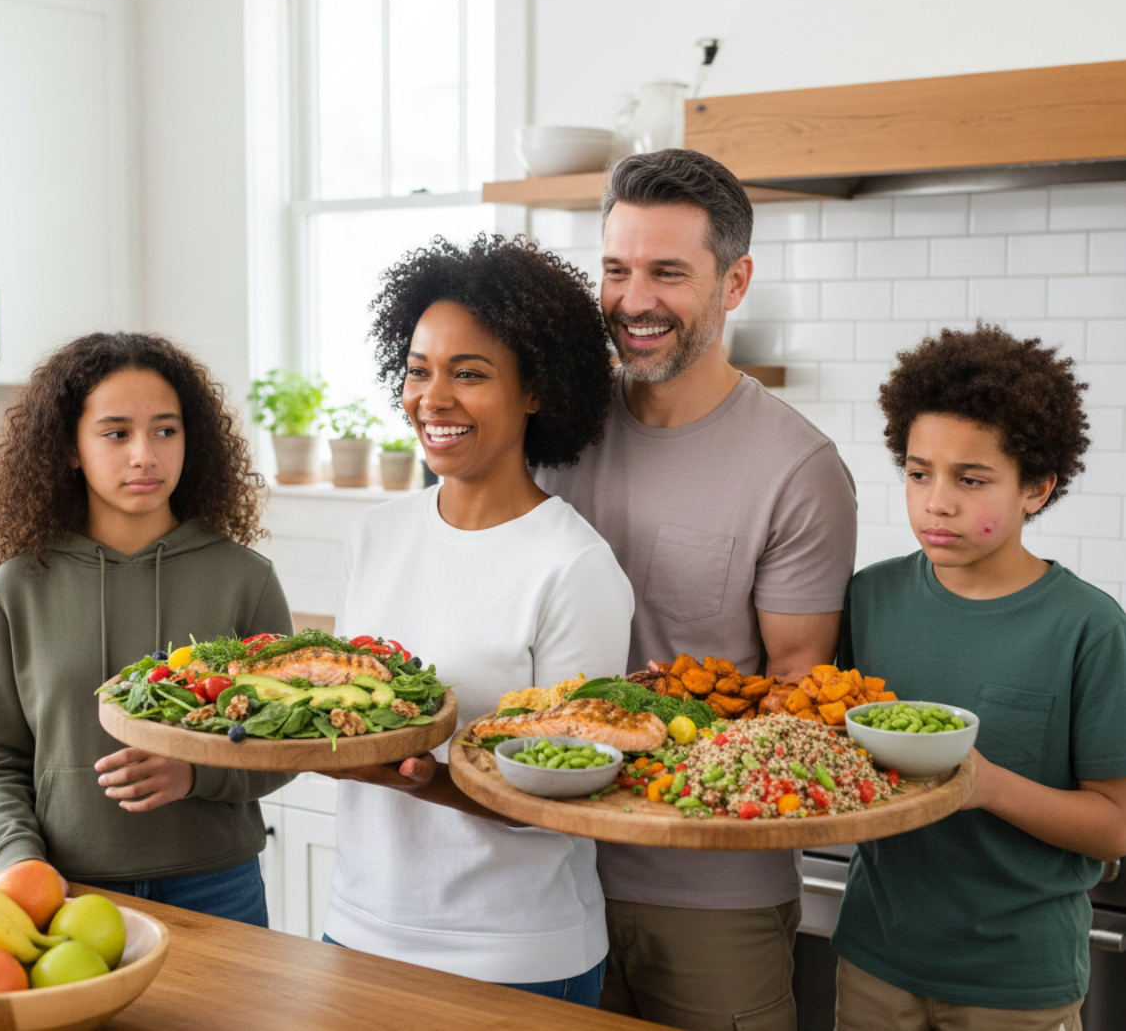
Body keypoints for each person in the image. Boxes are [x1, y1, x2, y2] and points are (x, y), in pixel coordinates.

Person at [534, 148, 859, 1031]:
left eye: (668, 272)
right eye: (616, 269)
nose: (634, 301)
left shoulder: (797, 470)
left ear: (736, 280)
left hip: (712, 895)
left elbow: (796, 692)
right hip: (542, 874)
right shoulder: (552, 430)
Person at [320, 233, 634, 1005]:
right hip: (358, 928)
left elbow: (570, 795)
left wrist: (421, 774)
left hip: (516, 952)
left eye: (470, 374)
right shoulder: (374, 535)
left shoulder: (573, 566)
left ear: (536, 390)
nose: (435, 398)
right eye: (420, 371)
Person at [831, 324, 1126, 1031]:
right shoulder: (867, 600)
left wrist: (985, 788)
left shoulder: (1089, 627)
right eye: (918, 471)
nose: (936, 502)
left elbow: (1115, 828)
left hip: (1018, 981)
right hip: (875, 957)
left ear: (1037, 488)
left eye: (971, 480)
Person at [0, 332, 293, 925]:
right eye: (116, 433)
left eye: (165, 430)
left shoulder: (244, 579)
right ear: (71, 446)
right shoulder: (17, 588)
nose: (144, 454)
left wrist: (196, 773)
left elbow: (286, 745)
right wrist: (21, 863)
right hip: (67, 888)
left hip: (218, 886)